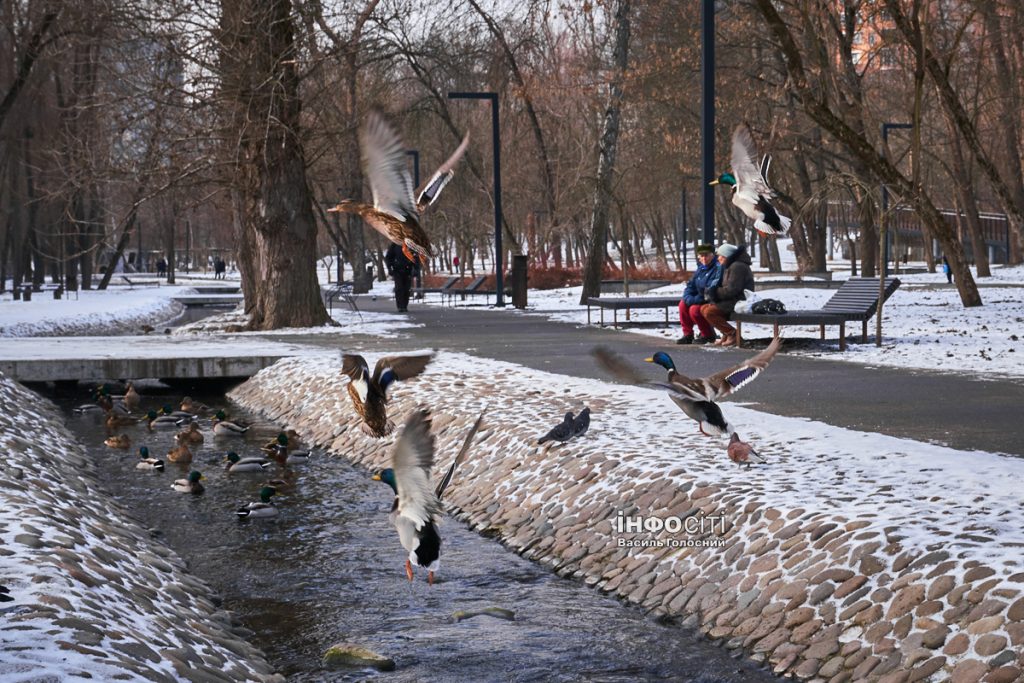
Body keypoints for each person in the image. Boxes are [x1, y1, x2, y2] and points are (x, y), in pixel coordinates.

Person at [700, 243, 755, 347]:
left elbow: (732, 290)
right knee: (703, 308)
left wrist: (714, 292)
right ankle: (726, 334)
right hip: (732, 299)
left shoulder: (737, 266)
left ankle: (733, 334)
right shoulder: (731, 265)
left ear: (726, 256)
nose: (718, 258)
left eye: (720, 256)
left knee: (709, 312)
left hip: (740, 301)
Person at [677, 244, 722, 344]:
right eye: (701, 256)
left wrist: (694, 300)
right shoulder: (700, 269)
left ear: (712, 255)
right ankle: (688, 334)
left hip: (709, 299)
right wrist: (688, 297)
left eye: (706, 255)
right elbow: (690, 286)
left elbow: (710, 289)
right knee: (682, 304)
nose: (704, 258)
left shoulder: (717, 268)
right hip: (697, 298)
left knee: (694, 310)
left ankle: (707, 335)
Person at [384, 242, 420, 312]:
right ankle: (400, 306)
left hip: (408, 270)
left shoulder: (411, 245)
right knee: (399, 288)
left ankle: (404, 305)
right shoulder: (395, 244)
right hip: (397, 270)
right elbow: (388, 257)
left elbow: (416, 258)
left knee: (406, 288)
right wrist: (389, 267)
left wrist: (416, 269)